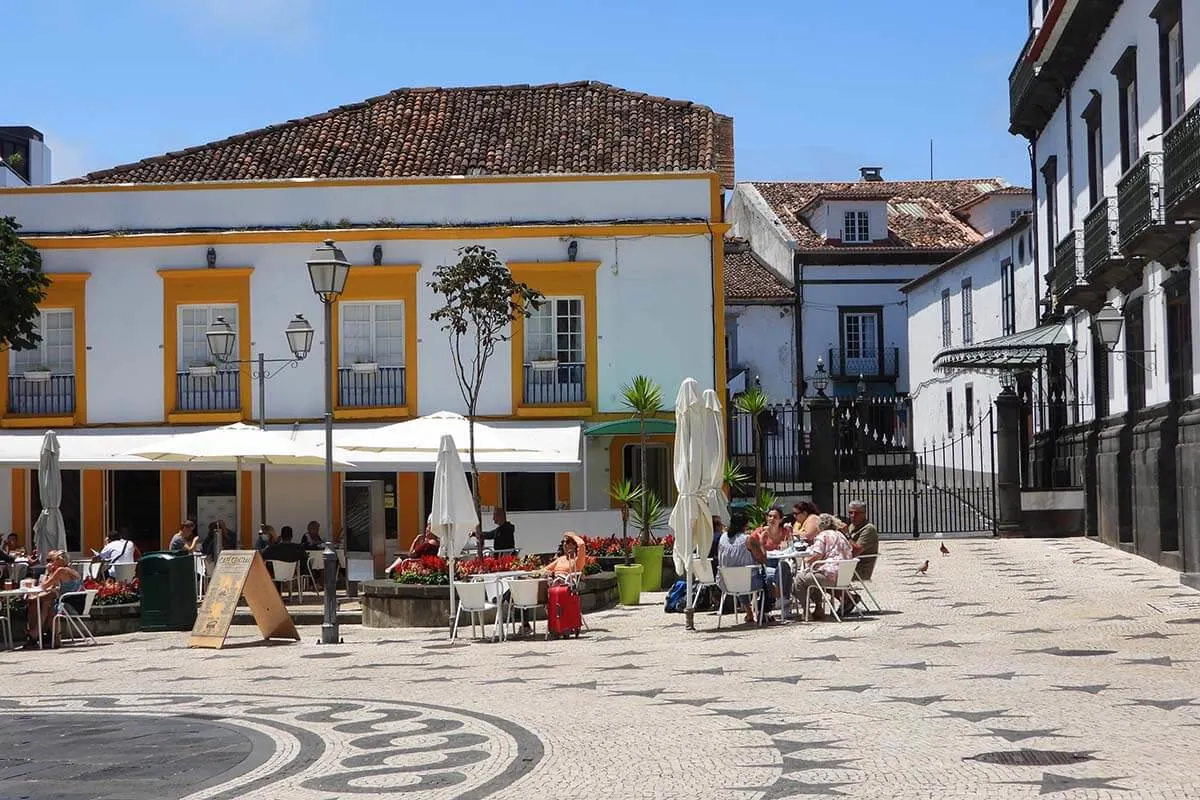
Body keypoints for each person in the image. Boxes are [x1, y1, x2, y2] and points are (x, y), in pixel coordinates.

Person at [717, 511, 776, 625]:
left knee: (741, 575)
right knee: (771, 576)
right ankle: (764, 612)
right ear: (745, 525)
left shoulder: (722, 537)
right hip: (747, 582)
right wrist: (761, 542)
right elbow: (763, 559)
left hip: (726, 582)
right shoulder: (748, 539)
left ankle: (749, 611)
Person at [794, 513, 854, 620]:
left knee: (799, 579)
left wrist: (807, 560)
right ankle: (818, 609)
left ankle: (806, 611)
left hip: (829, 576)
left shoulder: (823, 536)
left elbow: (817, 554)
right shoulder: (841, 535)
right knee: (812, 576)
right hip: (844, 576)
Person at [24, 550, 82, 649]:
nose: (50, 563)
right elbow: (52, 586)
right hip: (77, 602)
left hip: (70, 606)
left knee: (44, 601)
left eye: (52, 560)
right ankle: (51, 638)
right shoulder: (70, 570)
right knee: (48, 601)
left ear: (59, 560)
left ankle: (36, 633)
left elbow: (44, 586)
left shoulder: (61, 570)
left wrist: (48, 572)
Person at [846, 500, 879, 580]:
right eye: (850, 513)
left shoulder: (869, 529)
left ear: (864, 514)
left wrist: (846, 535)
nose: (853, 515)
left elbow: (856, 551)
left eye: (856, 513)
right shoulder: (851, 526)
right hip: (848, 565)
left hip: (860, 569)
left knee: (826, 576)